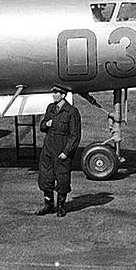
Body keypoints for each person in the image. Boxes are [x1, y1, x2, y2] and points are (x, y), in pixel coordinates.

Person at [36, 85, 81, 217]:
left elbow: (75, 135)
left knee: (62, 178)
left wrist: (66, 152)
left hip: (61, 148)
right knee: (46, 176)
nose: (54, 95)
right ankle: (48, 205)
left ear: (63, 95)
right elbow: (42, 127)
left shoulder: (71, 112)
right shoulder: (51, 108)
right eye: (53, 92)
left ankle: (61, 207)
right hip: (48, 147)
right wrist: (46, 124)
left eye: (56, 93)